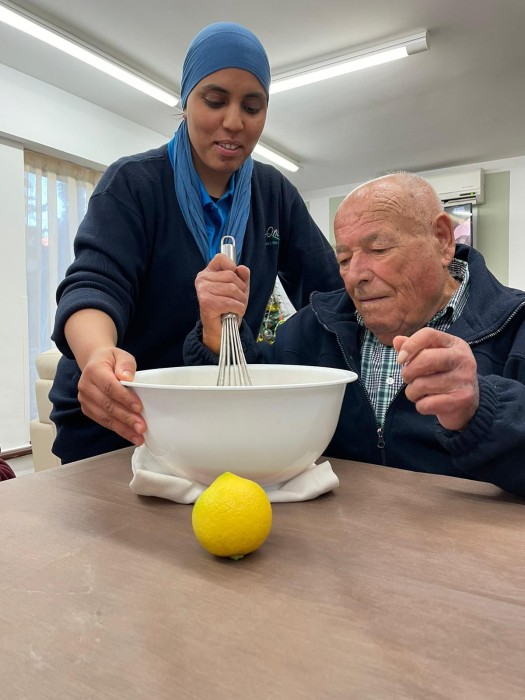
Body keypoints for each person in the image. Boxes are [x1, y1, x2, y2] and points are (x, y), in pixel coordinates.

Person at [50, 22, 341, 463]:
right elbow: (94, 286)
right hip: (123, 417)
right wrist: (97, 355)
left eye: (252, 106)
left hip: (215, 412)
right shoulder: (134, 184)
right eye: (215, 101)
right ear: (185, 101)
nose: (234, 122)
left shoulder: (274, 194)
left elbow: (329, 293)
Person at [185, 172, 525, 497]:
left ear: (442, 239)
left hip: (470, 536)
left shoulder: (515, 324)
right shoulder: (312, 329)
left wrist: (480, 409)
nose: (355, 275)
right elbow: (245, 401)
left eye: (379, 249)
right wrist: (218, 331)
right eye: (344, 258)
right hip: (329, 530)